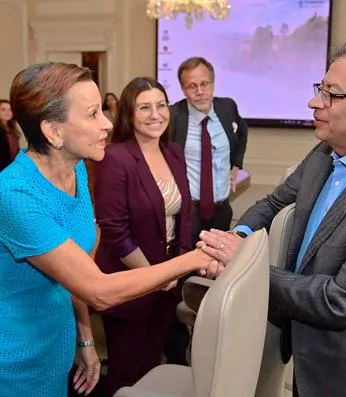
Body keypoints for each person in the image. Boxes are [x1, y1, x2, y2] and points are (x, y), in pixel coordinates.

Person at [199, 41, 346, 397]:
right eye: (318, 89)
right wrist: (240, 236)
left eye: (332, 95)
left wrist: (244, 263)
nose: (314, 102)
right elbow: (273, 203)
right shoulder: (325, 152)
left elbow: (340, 301)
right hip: (304, 356)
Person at [0, 63, 214, 397]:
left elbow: (78, 265)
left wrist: (85, 338)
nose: (107, 123)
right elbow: (98, 288)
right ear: (53, 131)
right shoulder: (15, 195)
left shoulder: (77, 172)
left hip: (58, 340)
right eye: (92, 114)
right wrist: (197, 258)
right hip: (15, 359)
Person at [93, 77, 193, 396]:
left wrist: (175, 270)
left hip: (167, 280)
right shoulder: (115, 158)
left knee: (152, 363)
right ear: (129, 114)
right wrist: (154, 275)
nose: (156, 114)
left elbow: (184, 216)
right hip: (129, 278)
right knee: (125, 371)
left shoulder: (174, 152)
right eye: (145, 107)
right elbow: (114, 230)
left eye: (161, 105)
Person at [171, 56, 248, 246]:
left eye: (205, 84)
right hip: (189, 211)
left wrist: (236, 164)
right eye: (192, 86)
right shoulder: (174, 116)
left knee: (218, 266)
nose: (200, 92)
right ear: (183, 90)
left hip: (222, 208)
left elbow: (242, 131)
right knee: (187, 266)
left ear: (213, 83)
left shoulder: (227, 107)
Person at [0, 99, 20, 164]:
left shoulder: (12, 129)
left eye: (10, 110)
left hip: (12, 166)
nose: (7, 112)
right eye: (3, 110)